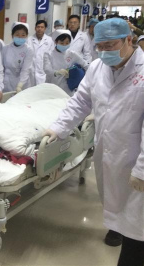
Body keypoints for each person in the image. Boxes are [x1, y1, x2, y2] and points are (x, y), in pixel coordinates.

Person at [44, 18, 144, 266]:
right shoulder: (97, 68)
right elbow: (80, 102)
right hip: (109, 154)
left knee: (138, 225)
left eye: (111, 45)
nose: (105, 51)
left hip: (136, 160)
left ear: (128, 40)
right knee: (119, 211)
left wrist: (142, 169)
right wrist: (58, 128)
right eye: (100, 46)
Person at [43, 29, 89, 96]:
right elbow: (47, 69)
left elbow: (85, 64)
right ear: (56, 42)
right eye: (62, 43)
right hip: (52, 85)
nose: (64, 45)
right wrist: (57, 72)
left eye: (67, 43)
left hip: (68, 88)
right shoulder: (48, 54)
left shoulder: (72, 54)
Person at [2, 22, 33, 92]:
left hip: (22, 84)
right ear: (12, 35)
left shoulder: (28, 50)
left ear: (27, 36)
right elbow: (1, 67)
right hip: (6, 83)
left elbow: (26, 69)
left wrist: (20, 85)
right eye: (17, 34)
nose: (20, 37)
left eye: (23, 35)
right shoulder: (5, 48)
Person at [28, 20, 53, 86]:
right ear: (35, 28)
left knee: (42, 92)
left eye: (42, 27)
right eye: (38, 27)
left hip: (44, 71)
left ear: (45, 29)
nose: (40, 29)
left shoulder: (49, 40)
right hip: (31, 71)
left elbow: (52, 56)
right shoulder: (29, 40)